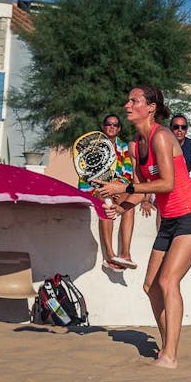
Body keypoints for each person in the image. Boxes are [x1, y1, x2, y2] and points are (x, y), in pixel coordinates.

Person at [94, 85, 191, 369]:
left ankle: (170, 355)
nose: (127, 105)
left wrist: (124, 186)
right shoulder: (135, 145)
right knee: (150, 286)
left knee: (168, 281)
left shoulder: (162, 137)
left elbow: (167, 183)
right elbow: (142, 192)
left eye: (135, 101)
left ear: (151, 107)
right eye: (128, 100)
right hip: (169, 221)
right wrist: (119, 207)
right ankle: (167, 345)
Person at [80, 114, 138, 271]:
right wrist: (110, 186)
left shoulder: (125, 148)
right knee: (105, 199)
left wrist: (119, 186)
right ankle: (110, 255)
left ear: (119, 128)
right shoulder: (92, 148)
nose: (112, 126)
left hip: (119, 188)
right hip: (98, 189)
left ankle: (125, 254)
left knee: (130, 204)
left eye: (115, 124)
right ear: (103, 126)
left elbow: (128, 173)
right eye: (108, 124)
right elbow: (87, 173)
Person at [170, 114, 191, 195]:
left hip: (183, 187)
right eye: (176, 127)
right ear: (170, 128)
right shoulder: (162, 144)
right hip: (163, 186)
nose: (180, 130)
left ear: (187, 129)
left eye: (183, 127)